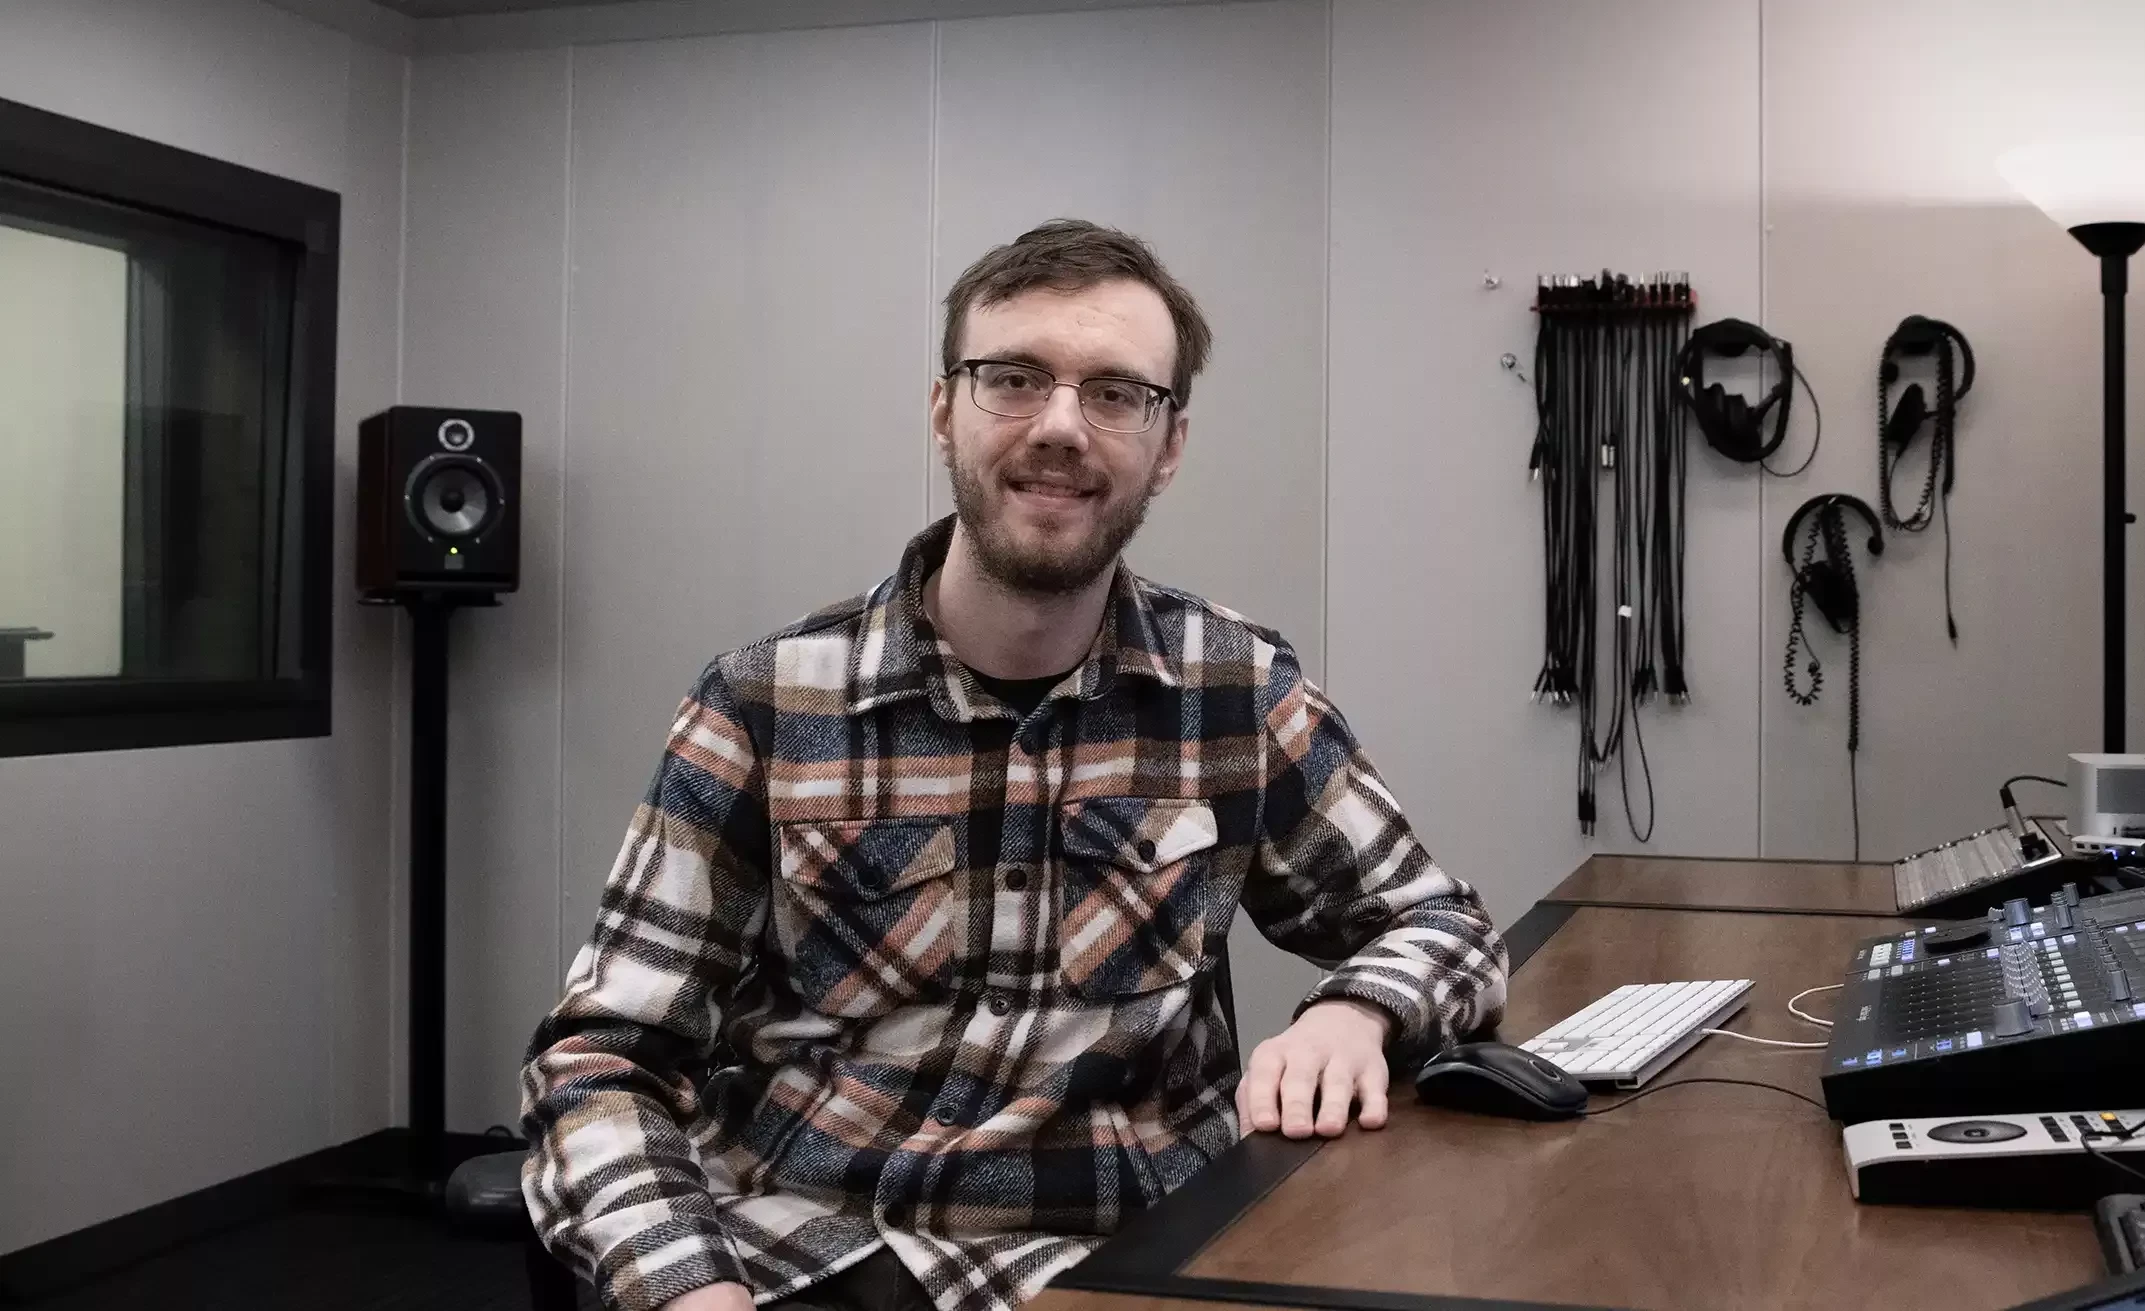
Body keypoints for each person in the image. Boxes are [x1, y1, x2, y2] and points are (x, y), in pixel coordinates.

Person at [520, 219, 1509, 1311]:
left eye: (1116, 393)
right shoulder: (763, 705)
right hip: (813, 1254)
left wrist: (1356, 1012)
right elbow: (602, 1060)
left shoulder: (1233, 690)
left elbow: (1443, 924)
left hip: (1128, 1259)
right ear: (944, 410)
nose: (1061, 426)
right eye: (1014, 378)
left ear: (1169, 446)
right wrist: (684, 1288)